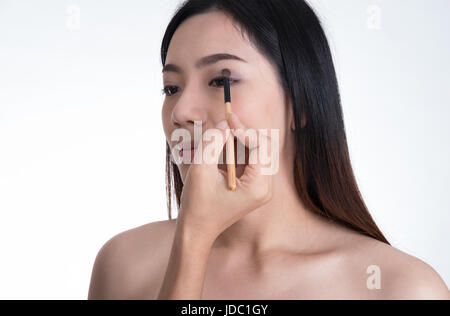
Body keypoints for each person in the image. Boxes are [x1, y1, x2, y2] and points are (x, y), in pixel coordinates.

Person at [88, 0, 449, 299]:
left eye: (220, 80)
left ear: (301, 106)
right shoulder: (123, 264)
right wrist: (193, 240)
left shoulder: (400, 288)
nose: (181, 112)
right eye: (171, 88)